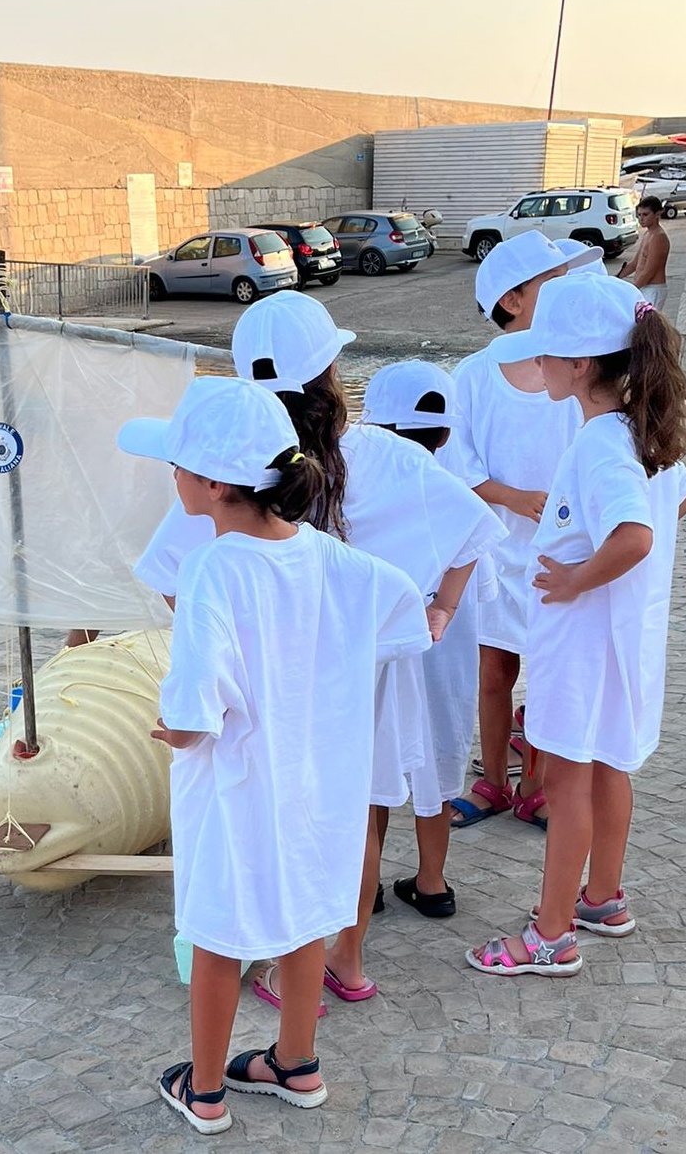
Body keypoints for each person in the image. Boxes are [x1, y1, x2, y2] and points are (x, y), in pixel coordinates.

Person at [133, 292, 500, 999]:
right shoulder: (387, 457)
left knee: (279, 811)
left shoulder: (229, 469)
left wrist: (230, 651)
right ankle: (346, 960)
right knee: (358, 814)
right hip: (363, 671)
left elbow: (172, 577)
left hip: (268, 682)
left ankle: (281, 953)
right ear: (332, 370)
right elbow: (473, 527)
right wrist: (440, 612)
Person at [118, 376, 429, 1133]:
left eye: (178, 464)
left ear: (214, 484)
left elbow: (196, 699)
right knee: (305, 912)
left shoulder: (212, 567)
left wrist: (175, 730)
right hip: (318, 778)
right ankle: (296, 1063)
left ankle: (206, 1092)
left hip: (238, 781)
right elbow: (405, 606)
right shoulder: (328, 556)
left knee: (218, 928)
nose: (171, 475)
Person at [466, 275, 686, 976]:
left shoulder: (599, 443)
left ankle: (550, 933)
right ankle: (602, 897)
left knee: (567, 783)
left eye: (545, 354)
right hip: (624, 640)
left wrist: (574, 579)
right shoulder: (642, 429)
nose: (535, 364)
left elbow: (634, 536)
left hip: (583, 644)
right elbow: (677, 503)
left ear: (580, 365)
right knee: (610, 768)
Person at [444, 232, 588, 833]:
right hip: (495, 546)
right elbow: (457, 464)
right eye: (550, 283)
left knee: (551, 669)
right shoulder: (473, 376)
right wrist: (514, 498)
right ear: (511, 300)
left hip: (563, 548)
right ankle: (494, 781)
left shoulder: (578, 365)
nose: (564, 292)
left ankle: (537, 783)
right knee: (495, 667)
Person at [359, 361, 507, 919]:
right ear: (446, 436)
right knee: (439, 767)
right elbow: (484, 580)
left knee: (372, 767)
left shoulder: (350, 493)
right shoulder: (451, 497)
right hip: (443, 660)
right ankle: (432, 881)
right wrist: (443, 603)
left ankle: (365, 887)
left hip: (376, 657)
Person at [618, 195, 670, 309]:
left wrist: (632, 290)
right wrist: (615, 278)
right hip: (643, 287)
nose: (641, 219)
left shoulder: (659, 237)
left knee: (647, 320)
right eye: (639, 215)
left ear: (657, 214)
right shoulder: (648, 234)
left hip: (653, 289)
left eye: (645, 214)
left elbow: (649, 271)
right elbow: (634, 264)